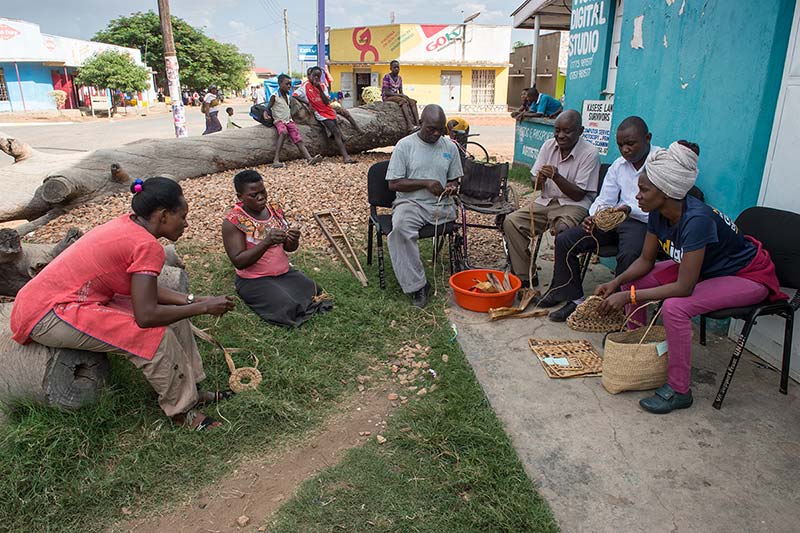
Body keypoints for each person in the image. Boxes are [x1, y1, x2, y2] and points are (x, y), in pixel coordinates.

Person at [9, 177, 236, 430]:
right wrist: (203, 307)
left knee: (177, 316)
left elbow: (140, 290)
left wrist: (191, 301)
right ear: (162, 216)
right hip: (48, 312)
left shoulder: (129, 225)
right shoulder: (147, 245)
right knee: (155, 336)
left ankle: (191, 389)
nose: (186, 224)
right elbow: (146, 316)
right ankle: (183, 411)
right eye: (182, 216)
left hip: (66, 298)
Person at [594, 141, 787, 414]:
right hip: (706, 268)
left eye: (644, 190)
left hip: (746, 275)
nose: (637, 196)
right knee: (633, 280)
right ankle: (636, 349)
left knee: (675, 308)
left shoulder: (697, 220)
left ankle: (679, 390)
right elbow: (645, 260)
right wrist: (618, 283)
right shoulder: (659, 213)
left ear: (668, 192)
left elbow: (684, 288)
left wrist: (629, 296)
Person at [536, 116, 658, 321]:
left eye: (630, 143)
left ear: (647, 138)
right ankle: (574, 298)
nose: (625, 149)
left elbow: (663, 202)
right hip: (617, 219)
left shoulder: (660, 162)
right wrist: (596, 215)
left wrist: (628, 209)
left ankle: (619, 311)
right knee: (566, 239)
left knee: (629, 254)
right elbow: (604, 199)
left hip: (645, 222)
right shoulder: (619, 165)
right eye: (620, 145)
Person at [503, 109, 600, 288]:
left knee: (564, 232)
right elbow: (535, 182)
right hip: (546, 201)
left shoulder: (590, 153)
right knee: (511, 222)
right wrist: (538, 180)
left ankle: (561, 284)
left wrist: (556, 177)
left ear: (580, 131)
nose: (560, 136)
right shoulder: (548, 145)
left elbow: (579, 194)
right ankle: (525, 276)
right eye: (557, 130)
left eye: (567, 131)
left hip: (574, 204)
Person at [222, 170, 333, 327]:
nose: (261, 197)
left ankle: (284, 292)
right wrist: (266, 242)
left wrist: (293, 240)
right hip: (253, 279)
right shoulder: (233, 222)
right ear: (240, 197)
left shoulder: (274, 210)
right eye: (253, 195)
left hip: (283, 272)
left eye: (263, 192)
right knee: (286, 307)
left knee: (315, 291)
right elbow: (239, 261)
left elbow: (289, 248)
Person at [386, 105, 462, 308]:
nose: (436, 134)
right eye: (431, 129)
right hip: (411, 203)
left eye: (440, 129)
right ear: (420, 123)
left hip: (441, 205)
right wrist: (426, 183)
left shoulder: (450, 147)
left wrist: (451, 187)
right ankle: (418, 286)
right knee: (401, 228)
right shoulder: (405, 146)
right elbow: (393, 183)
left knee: (453, 223)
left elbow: (454, 180)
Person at [294, 66, 357, 164]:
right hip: (320, 113)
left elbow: (326, 101)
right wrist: (307, 103)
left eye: (318, 76)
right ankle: (346, 157)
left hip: (328, 110)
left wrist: (319, 89)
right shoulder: (305, 86)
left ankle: (341, 136)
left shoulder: (322, 86)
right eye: (314, 76)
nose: (316, 78)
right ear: (309, 76)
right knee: (336, 131)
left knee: (337, 123)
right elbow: (295, 95)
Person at [267, 74, 322, 168]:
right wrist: (265, 114)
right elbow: (268, 108)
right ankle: (276, 159)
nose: (289, 86)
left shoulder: (288, 96)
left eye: (290, 84)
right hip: (279, 120)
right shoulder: (274, 96)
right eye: (287, 84)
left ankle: (309, 158)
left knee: (298, 139)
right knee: (283, 132)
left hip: (289, 121)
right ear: (280, 84)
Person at [382, 60, 419, 130]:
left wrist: (405, 96)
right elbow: (386, 92)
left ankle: (417, 123)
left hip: (396, 96)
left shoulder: (399, 78)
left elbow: (401, 91)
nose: (396, 69)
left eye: (398, 67)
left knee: (412, 101)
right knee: (403, 101)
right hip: (387, 97)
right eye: (394, 67)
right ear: (391, 68)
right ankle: (409, 124)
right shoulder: (387, 77)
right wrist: (401, 96)